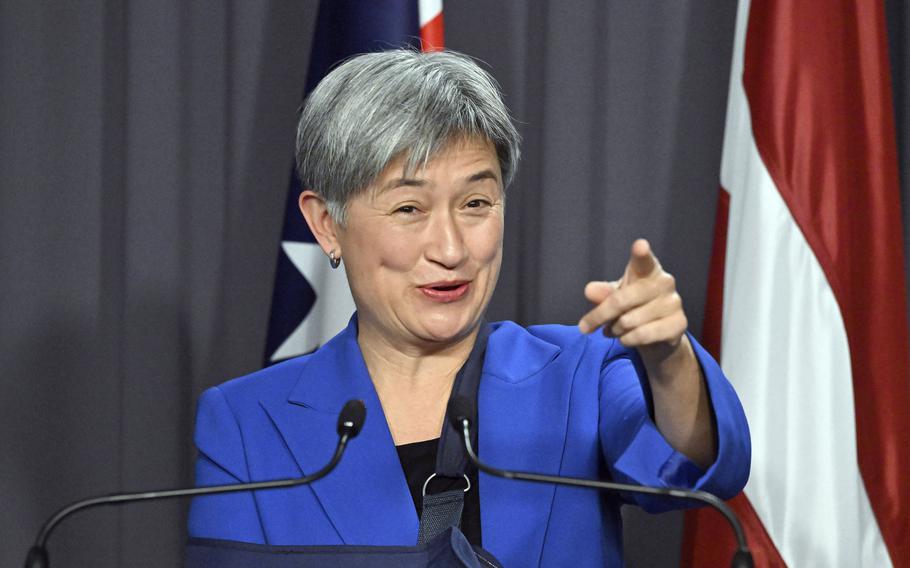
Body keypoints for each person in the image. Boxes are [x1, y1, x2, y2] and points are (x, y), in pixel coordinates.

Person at [187, 49, 750, 567]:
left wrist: (669, 360)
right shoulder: (244, 424)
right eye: (409, 208)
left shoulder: (579, 373)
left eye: (476, 203)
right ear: (326, 225)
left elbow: (694, 470)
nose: (452, 249)